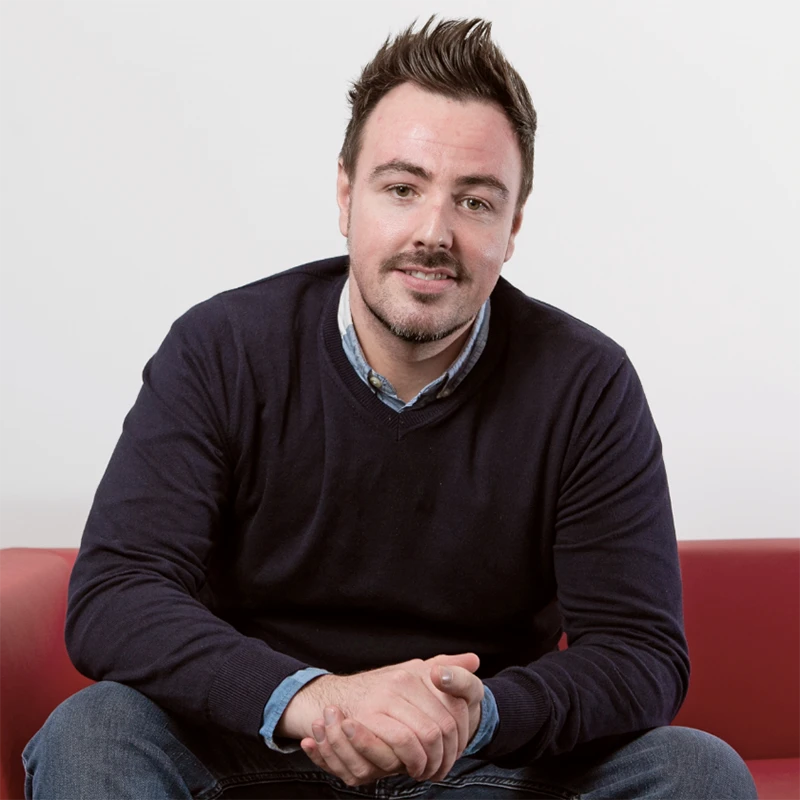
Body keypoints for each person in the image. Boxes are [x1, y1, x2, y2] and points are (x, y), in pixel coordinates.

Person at [23, 17, 757, 799]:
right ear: (347, 195)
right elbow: (117, 594)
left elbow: (641, 653)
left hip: (478, 764)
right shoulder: (222, 348)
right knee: (94, 731)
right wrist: (320, 699)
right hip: (258, 753)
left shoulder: (587, 383)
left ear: (513, 226)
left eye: (474, 201)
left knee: (695, 770)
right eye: (402, 188)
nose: (433, 232)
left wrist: (474, 717)